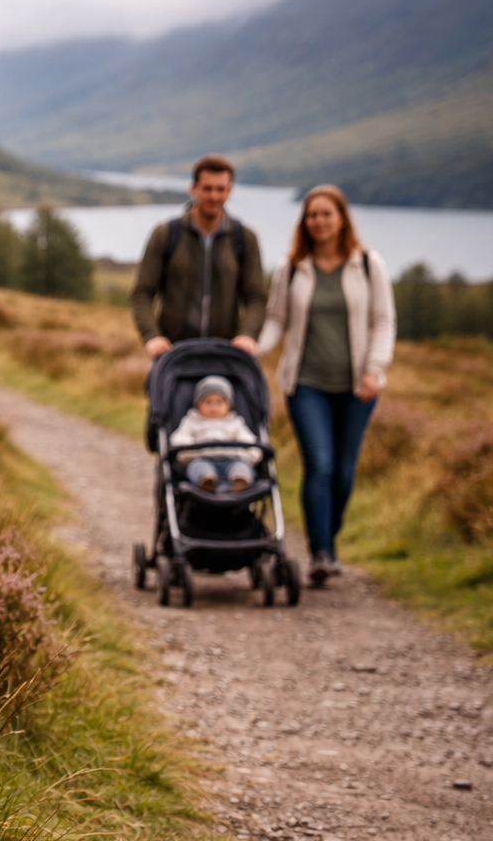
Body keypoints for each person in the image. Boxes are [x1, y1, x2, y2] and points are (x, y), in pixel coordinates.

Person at [256, 184, 395, 585]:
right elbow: (276, 318)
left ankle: (328, 542)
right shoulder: (292, 267)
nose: (319, 221)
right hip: (306, 384)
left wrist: (374, 368)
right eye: (312, 215)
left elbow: (384, 321)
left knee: (344, 474)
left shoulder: (369, 265)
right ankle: (320, 551)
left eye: (326, 214)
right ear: (305, 221)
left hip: (358, 387)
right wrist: (254, 349)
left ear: (342, 218)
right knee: (320, 463)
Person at [131, 155, 267, 359]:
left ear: (230, 191)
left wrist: (247, 335)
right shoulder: (166, 234)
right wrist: (152, 337)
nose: (214, 196)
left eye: (221, 189)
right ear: (193, 189)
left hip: (224, 352)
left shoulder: (244, 238)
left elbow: (256, 297)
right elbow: (141, 293)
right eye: (207, 188)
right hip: (171, 353)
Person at [169, 375, 261, 493]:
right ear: (198, 405)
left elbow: (248, 439)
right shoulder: (191, 421)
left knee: (242, 467)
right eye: (208, 402)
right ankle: (207, 481)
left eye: (219, 402)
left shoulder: (235, 422)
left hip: (232, 458)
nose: (214, 407)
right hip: (202, 458)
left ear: (229, 406)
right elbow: (179, 437)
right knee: (197, 467)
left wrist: (251, 451)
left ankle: (240, 480)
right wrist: (187, 445)